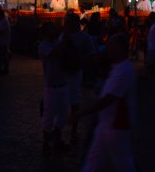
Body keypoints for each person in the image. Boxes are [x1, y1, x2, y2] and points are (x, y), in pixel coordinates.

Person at [76, 33, 136, 172]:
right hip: (107, 123)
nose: (108, 48)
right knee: (93, 161)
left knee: (123, 164)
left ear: (119, 49)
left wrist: (81, 113)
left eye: (111, 46)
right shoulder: (117, 67)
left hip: (117, 126)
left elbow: (108, 99)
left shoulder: (124, 70)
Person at [61, 13, 95, 143]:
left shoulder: (84, 38)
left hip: (75, 74)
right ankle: (59, 130)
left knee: (74, 102)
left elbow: (91, 56)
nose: (66, 25)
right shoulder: (63, 37)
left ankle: (74, 130)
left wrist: (81, 65)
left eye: (68, 22)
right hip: (64, 74)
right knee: (63, 102)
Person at [39, 22, 71, 155]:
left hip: (62, 83)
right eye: (52, 29)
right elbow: (54, 53)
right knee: (49, 116)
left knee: (62, 114)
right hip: (51, 85)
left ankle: (57, 139)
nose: (54, 31)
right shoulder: (43, 46)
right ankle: (46, 143)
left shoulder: (57, 42)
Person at [0, 9, 11, 75]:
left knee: (4, 56)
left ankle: (5, 69)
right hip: (3, 41)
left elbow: (0, 31)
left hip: (4, 41)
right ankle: (3, 68)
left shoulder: (4, 21)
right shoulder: (2, 21)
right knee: (2, 55)